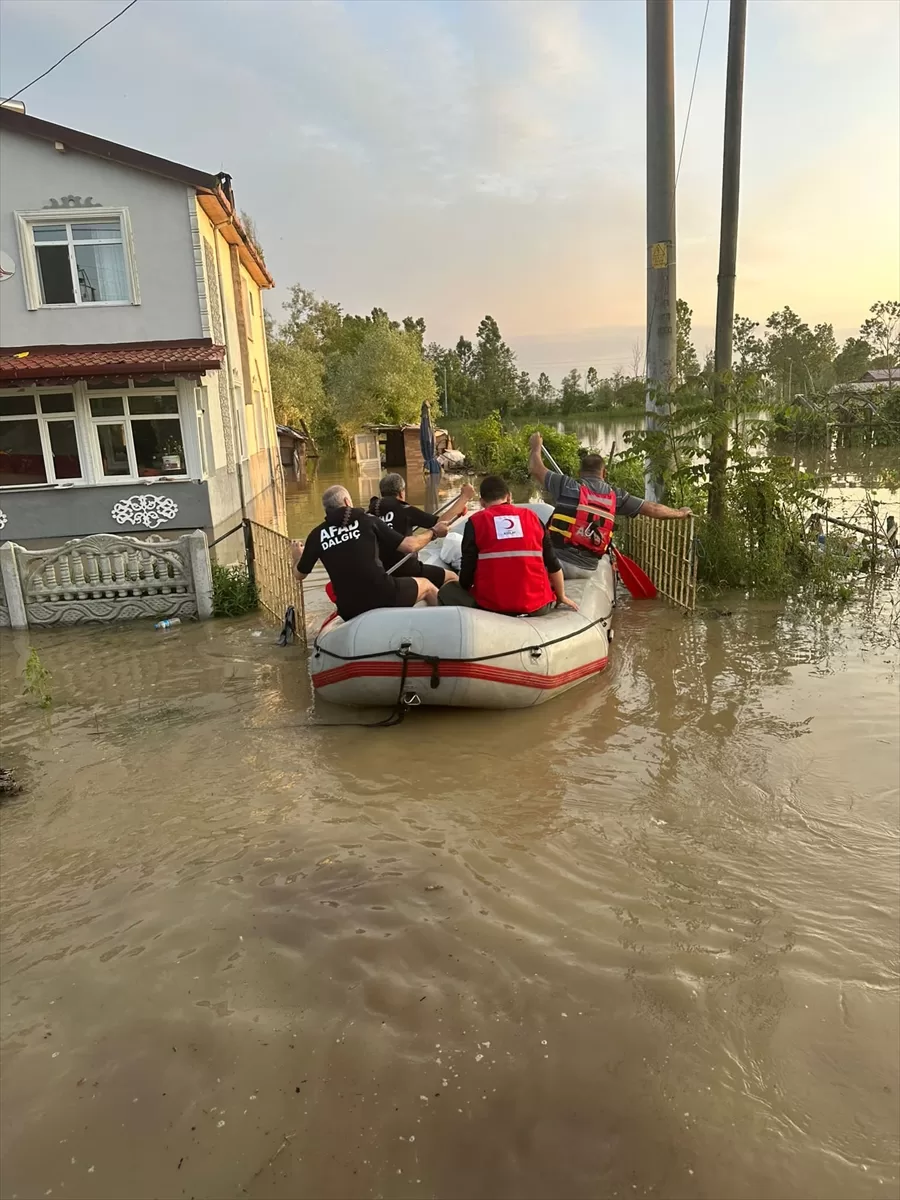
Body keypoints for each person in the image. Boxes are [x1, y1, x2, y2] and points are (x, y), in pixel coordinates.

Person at [528, 431, 692, 579]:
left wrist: (536, 447)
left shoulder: (567, 485)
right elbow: (654, 509)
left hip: (557, 564)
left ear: (580, 473)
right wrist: (680, 513)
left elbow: (536, 468)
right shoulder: (617, 496)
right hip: (588, 568)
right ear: (604, 473)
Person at [291, 484, 451, 621]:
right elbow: (409, 545)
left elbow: (300, 575)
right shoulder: (367, 521)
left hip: (349, 609)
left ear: (326, 509)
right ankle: (448, 625)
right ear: (347, 502)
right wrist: (433, 532)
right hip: (382, 594)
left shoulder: (316, 535)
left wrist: (297, 556)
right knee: (427, 586)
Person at [438, 475, 577, 616]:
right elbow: (552, 563)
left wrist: (465, 587)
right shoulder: (533, 517)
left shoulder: (475, 522)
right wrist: (561, 596)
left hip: (492, 607)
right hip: (537, 606)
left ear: (481, 503)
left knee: (447, 590)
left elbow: (468, 569)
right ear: (509, 497)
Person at [367, 474, 475, 588]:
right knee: (452, 577)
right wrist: (465, 497)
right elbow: (441, 523)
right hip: (405, 569)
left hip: (379, 571)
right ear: (401, 493)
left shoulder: (368, 514)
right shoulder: (404, 509)